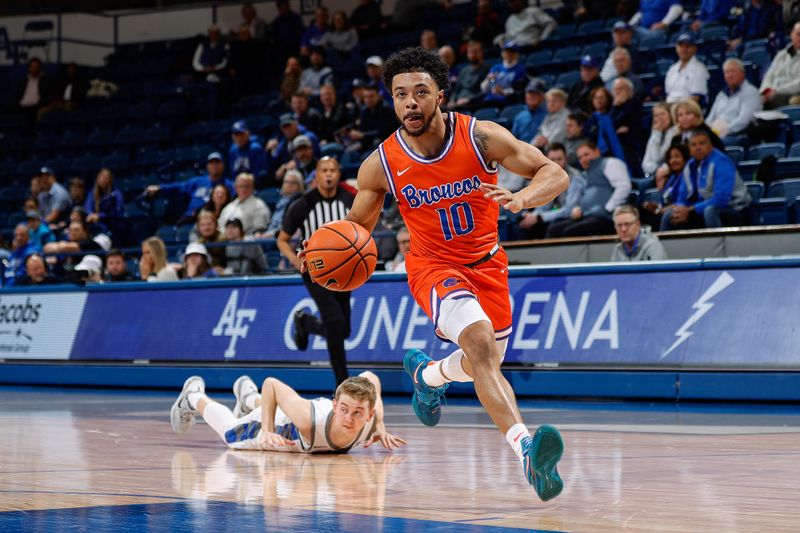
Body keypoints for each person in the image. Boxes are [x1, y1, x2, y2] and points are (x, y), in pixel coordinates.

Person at [307, 47, 567, 501]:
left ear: (440, 96)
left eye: (420, 92)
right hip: (433, 267)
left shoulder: (480, 137)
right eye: (400, 94)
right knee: (481, 344)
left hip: (488, 263)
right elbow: (354, 235)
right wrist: (328, 259)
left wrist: (524, 198)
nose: (410, 102)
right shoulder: (381, 163)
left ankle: (428, 378)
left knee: (483, 362)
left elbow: (554, 173)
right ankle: (526, 450)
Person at [169, 372, 405, 453]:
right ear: (335, 405)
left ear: (370, 414)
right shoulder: (307, 421)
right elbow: (271, 383)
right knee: (231, 434)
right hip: (285, 424)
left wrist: (381, 426)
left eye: (357, 413)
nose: (349, 418)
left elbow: (371, 378)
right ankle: (192, 395)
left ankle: (249, 397)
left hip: (291, 408)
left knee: (282, 403)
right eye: (344, 410)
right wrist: (268, 431)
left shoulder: (370, 424)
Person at [278, 157, 356, 387]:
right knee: (334, 321)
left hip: (344, 272)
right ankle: (342, 383)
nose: (329, 174)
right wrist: (294, 259)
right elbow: (282, 239)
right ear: (317, 175)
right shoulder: (303, 204)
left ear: (339, 173)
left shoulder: (349, 200)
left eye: (333, 170)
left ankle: (307, 322)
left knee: (344, 329)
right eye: (324, 170)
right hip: (315, 272)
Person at [660, 130, 751, 230]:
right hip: (701, 208)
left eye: (702, 143)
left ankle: (715, 244)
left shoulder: (721, 162)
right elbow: (682, 196)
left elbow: (722, 199)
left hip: (734, 208)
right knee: (670, 215)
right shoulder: (689, 166)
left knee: (710, 211)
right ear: (689, 149)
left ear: (710, 146)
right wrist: (681, 209)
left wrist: (691, 209)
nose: (698, 147)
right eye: (693, 145)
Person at [546, 140, 631, 237]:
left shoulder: (610, 163)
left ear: (597, 152)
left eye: (586, 154)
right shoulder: (584, 175)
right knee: (554, 229)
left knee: (570, 232)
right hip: (587, 216)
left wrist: (608, 208)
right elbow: (584, 196)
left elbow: (624, 186)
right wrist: (578, 209)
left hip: (606, 217)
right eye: (580, 157)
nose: (583, 159)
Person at [517, 143, 586, 239]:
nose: (556, 163)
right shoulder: (548, 177)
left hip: (572, 217)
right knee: (522, 224)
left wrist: (540, 217)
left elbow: (569, 210)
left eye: (559, 159)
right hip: (553, 214)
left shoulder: (575, 178)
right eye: (553, 160)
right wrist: (533, 215)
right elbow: (545, 204)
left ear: (566, 159)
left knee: (552, 227)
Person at [146, 152, 233, 225]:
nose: (214, 165)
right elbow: (179, 187)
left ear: (223, 165)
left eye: (217, 162)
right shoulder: (198, 181)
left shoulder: (229, 185)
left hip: (214, 218)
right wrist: (160, 188)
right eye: (212, 163)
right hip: (191, 217)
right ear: (207, 166)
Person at [706, 58, 762, 141]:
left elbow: (744, 120)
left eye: (733, 71)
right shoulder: (721, 95)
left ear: (742, 73)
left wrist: (720, 131)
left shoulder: (751, 92)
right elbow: (710, 118)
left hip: (735, 135)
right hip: (716, 134)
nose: (730, 75)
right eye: (727, 72)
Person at [640, 143, 689, 228]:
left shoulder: (687, 177)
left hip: (677, 213)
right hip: (664, 211)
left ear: (685, 158)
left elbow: (681, 203)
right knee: (640, 210)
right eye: (670, 158)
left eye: (677, 157)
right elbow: (665, 201)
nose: (673, 160)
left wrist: (659, 210)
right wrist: (655, 206)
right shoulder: (672, 178)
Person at [760, 22, 800, 108]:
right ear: (791, 34)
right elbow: (769, 75)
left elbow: (798, 84)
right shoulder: (781, 55)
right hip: (772, 91)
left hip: (790, 93)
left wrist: (776, 90)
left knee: (773, 98)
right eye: (798, 34)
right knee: (753, 98)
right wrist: (765, 90)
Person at [348, 83, 398, 149]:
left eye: (371, 96)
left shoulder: (386, 109)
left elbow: (383, 132)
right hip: (367, 142)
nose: (368, 100)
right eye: (365, 97)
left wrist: (363, 135)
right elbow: (362, 128)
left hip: (385, 143)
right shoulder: (365, 110)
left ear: (378, 96)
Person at [665, 33, 709, 105]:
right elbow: (668, 94)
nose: (684, 49)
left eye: (687, 46)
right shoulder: (672, 69)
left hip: (688, 110)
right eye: (681, 46)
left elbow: (696, 98)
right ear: (676, 48)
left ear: (694, 49)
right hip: (670, 108)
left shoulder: (699, 69)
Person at [447, 40, 490, 110]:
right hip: (457, 103)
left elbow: (485, 91)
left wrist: (469, 99)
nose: (473, 55)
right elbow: (456, 89)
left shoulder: (487, 69)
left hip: (474, 103)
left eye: (475, 52)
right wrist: (452, 100)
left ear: (482, 53)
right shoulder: (463, 70)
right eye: (470, 52)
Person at [480, 41, 526, 106]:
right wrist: (488, 80)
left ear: (517, 54)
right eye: (507, 51)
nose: (509, 54)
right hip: (490, 99)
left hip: (508, 101)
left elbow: (518, 90)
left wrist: (502, 91)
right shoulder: (496, 68)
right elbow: (484, 88)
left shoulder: (520, 69)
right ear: (502, 53)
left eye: (512, 51)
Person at [264, 169, 304, 238]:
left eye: (293, 183)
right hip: (270, 234)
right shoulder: (281, 201)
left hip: (284, 237)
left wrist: (271, 234)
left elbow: (290, 228)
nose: (289, 185)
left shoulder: (299, 203)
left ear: (300, 186)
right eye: (286, 182)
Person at [642, 102, 679, 176]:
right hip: (654, 174)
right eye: (656, 115)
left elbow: (657, 158)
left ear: (671, 115)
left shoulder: (674, 132)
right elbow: (645, 162)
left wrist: (657, 133)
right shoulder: (655, 132)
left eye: (662, 114)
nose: (659, 118)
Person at [84, 168, 124, 234]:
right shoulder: (92, 192)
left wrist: (99, 216)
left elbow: (117, 211)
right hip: (93, 221)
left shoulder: (116, 194)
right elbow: (87, 207)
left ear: (110, 180)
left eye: (106, 178)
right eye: (101, 178)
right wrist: (91, 215)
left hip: (110, 224)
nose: (103, 180)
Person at [16, 57, 54, 125]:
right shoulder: (23, 80)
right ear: (29, 68)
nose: (34, 69)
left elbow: (48, 96)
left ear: (40, 68)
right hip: (21, 106)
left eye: (36, 67)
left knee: (31, 115)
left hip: (35, 107)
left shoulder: (45, 80)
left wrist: (39, 103)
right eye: (32, 67)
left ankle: (30, 134)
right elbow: (17, 94)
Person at [512, 79, 548, 143]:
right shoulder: (519, 117)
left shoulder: (548, 114)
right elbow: (514, 141)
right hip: (523, 151)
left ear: (542, 96)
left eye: (535, 93)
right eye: (529, 93)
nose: (531, 96)